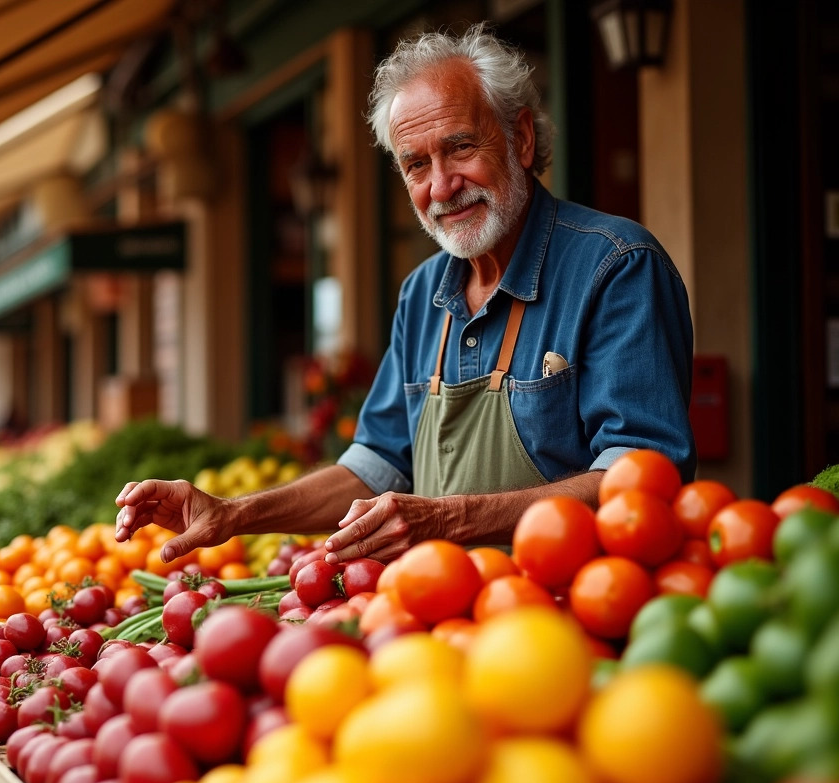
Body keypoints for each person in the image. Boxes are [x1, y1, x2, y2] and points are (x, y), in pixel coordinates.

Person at [115, 25, 695, 566]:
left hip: (579, 612)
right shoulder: (423, 293)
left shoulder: (615, 266)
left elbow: (641, 473)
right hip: (440, 625)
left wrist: (448, 518)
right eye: (416, 165)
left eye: (461, 148)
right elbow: (377, 466)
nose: (441, 186)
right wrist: (235, 514)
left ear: (519, 138)